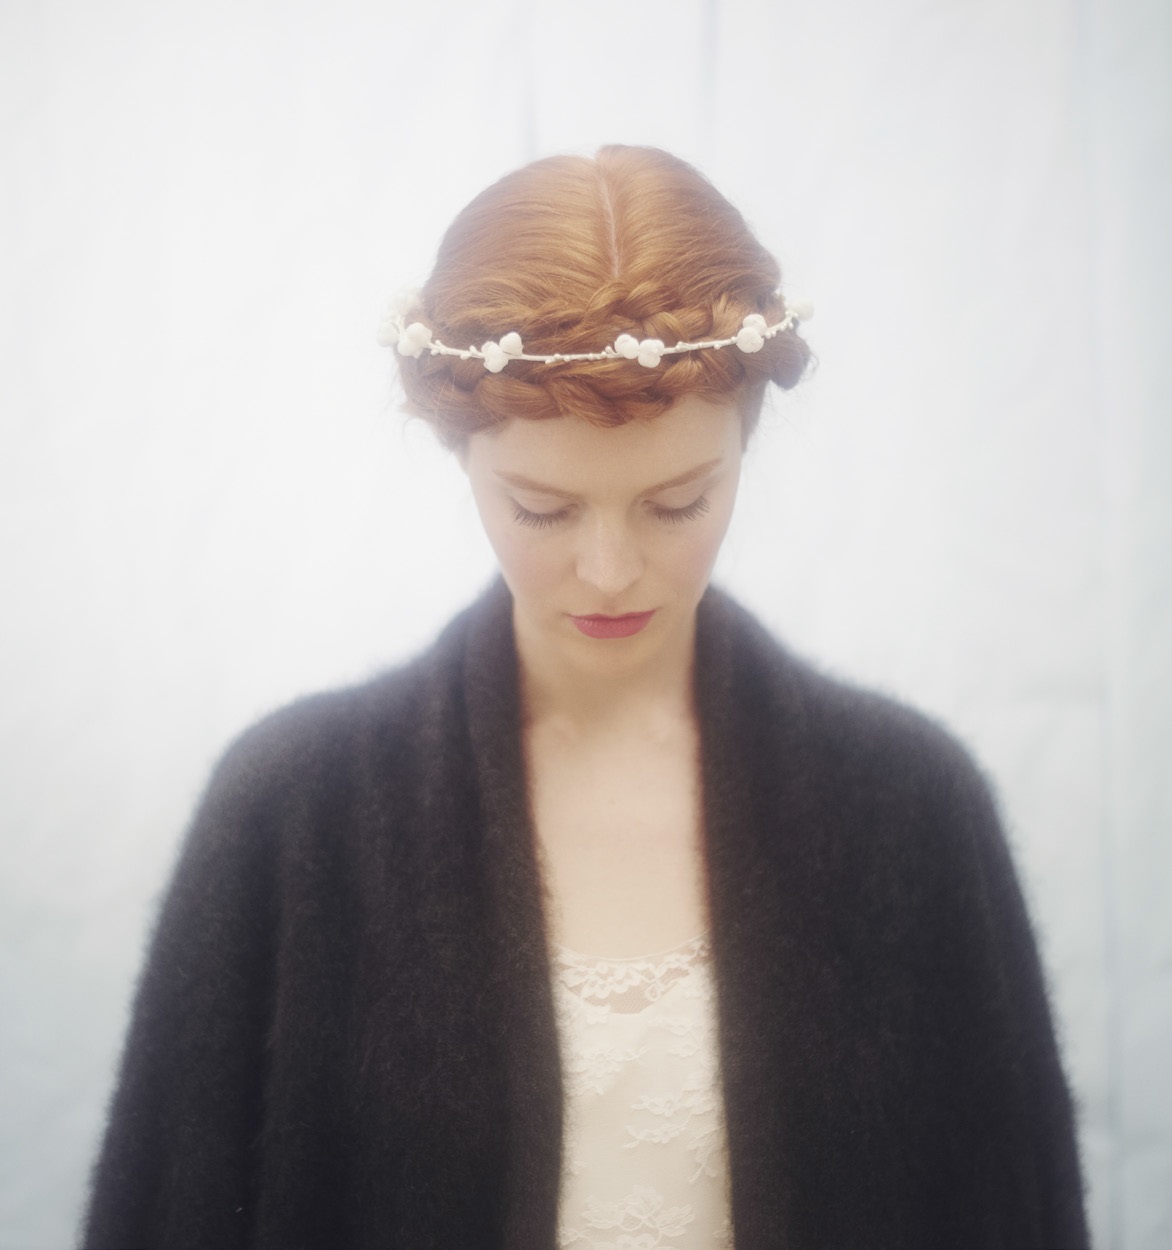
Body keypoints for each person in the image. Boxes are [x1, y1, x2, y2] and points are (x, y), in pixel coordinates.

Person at [82, 146, 1089, 1249]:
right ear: (458, 454)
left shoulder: (909, 809)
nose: (609, 572)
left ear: (747, 440)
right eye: (542, 509)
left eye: (677, 502)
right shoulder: (290, 812)